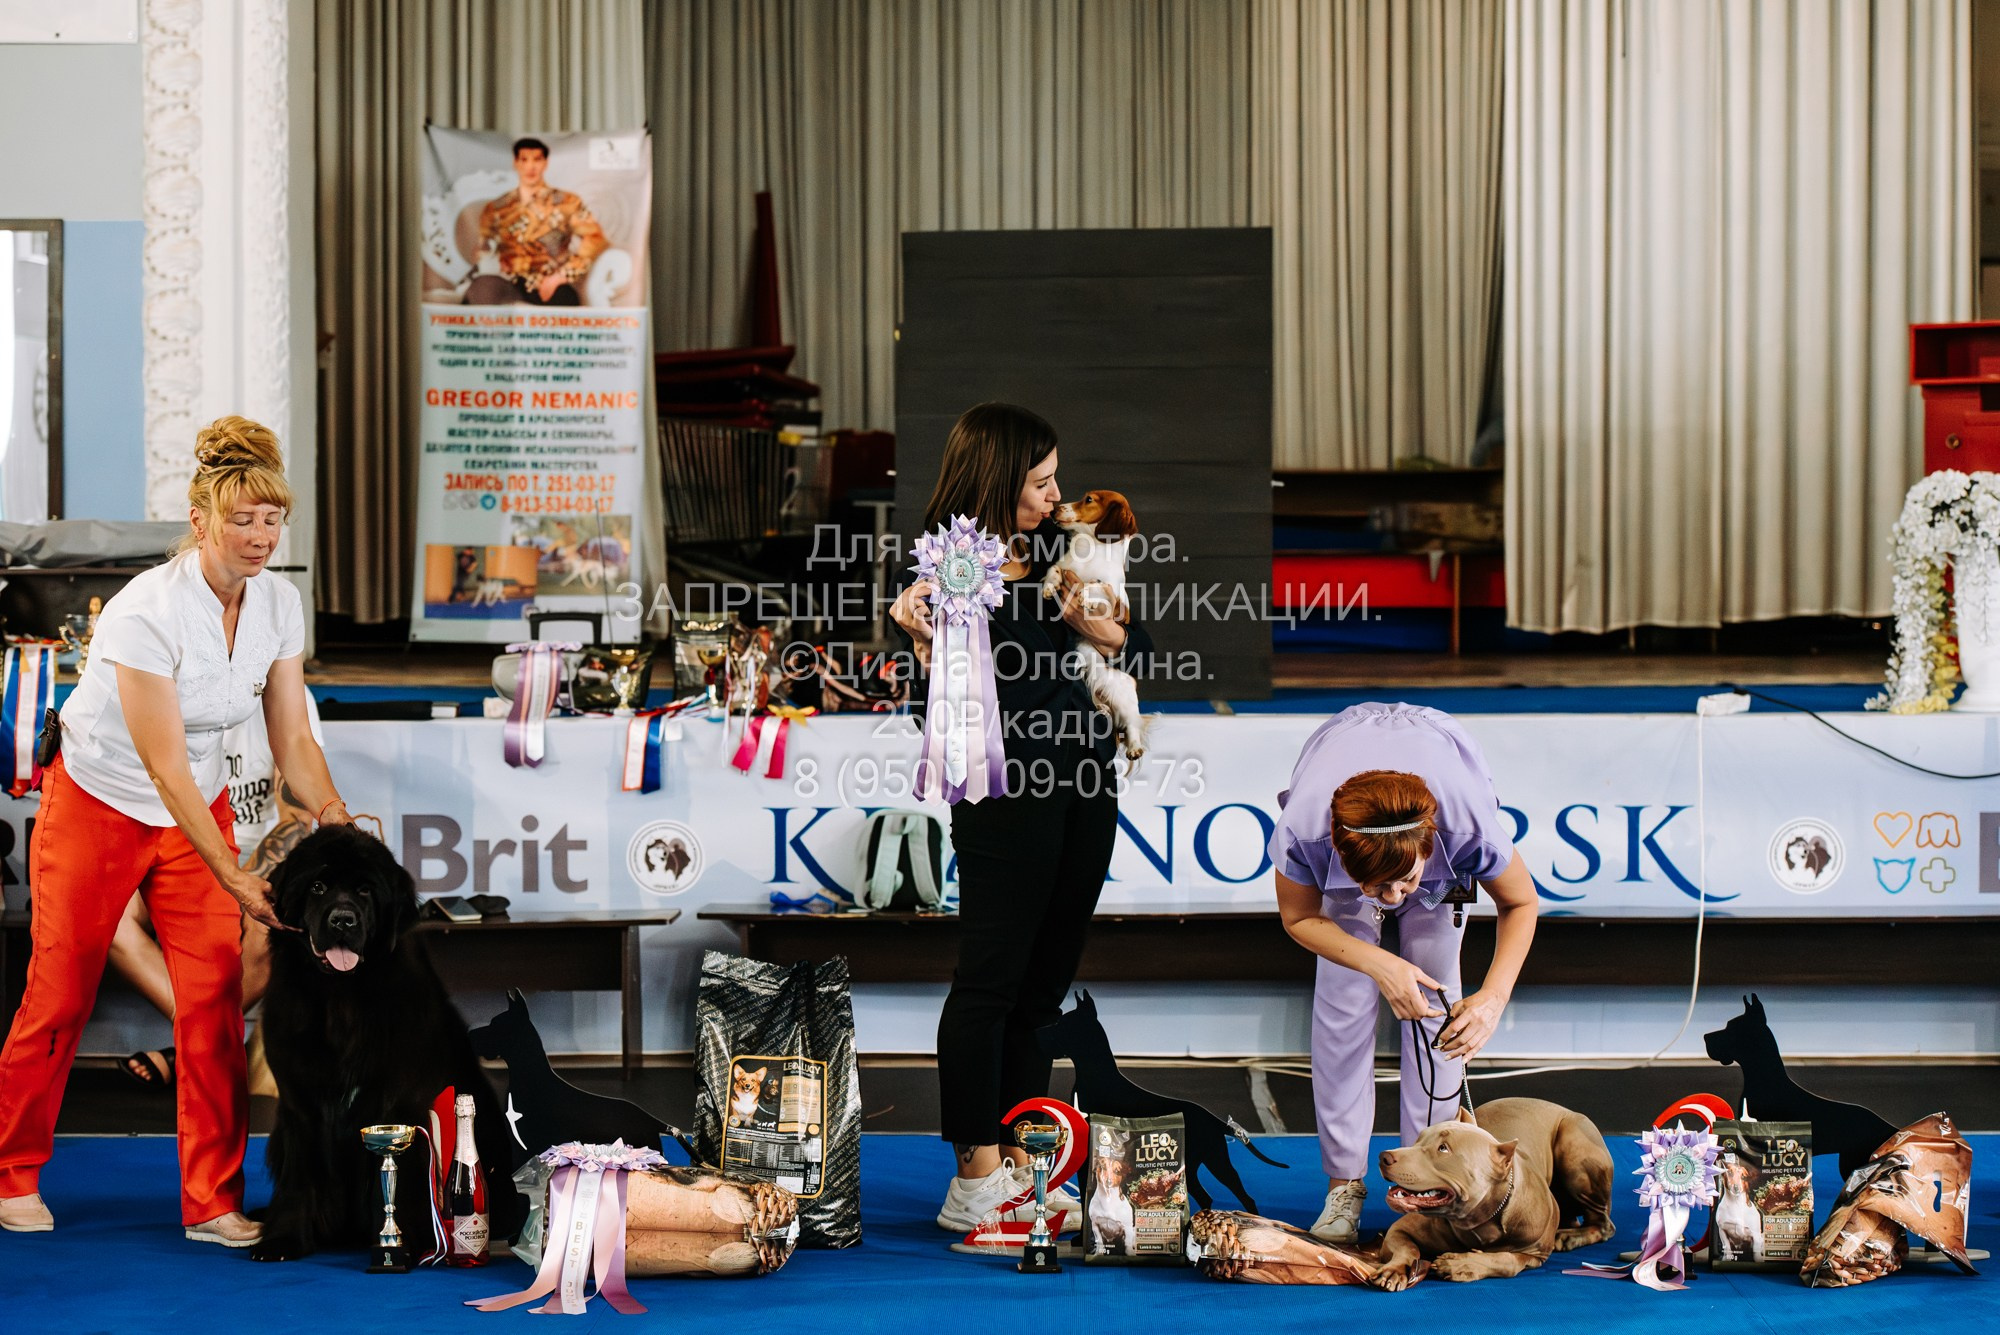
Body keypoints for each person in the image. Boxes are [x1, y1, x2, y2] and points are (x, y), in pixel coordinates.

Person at [0, 416, 352, 1245]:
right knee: (60, 995)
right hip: (101, 801)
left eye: (272, 520)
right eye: (243, 519)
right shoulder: (143, 609)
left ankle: (212, 1199)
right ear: (200, 520)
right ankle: (12, 1170)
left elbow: (293, 737)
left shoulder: (278, 601)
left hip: (195, 802)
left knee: (212, 1004)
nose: (261, 537)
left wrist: (336, 823)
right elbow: (159, 763)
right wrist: (233, 874)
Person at [889, 402, 1155, 1234]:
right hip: (1007, 794)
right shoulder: (948, 568)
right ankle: (973, 1172)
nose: (1055, 494)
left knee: (1043, 985)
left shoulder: (1054, 555)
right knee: (991, 979)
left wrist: (1105, 630)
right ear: (1002, 482)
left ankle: (1021, 1161)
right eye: (1040, 482)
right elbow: (916, 628)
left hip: (1086, 779)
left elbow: (1134, 646)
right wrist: (914, 621)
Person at [1269, 702, 1539, 1244]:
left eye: (1405, 881)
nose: (1392, 899)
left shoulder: (1468, 829)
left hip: (1439, 758)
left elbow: (1522, 904)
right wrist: (1377, 962)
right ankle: (1344, 1185)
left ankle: (1429, 1186)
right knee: (1343, 1002)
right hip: (1340, 757)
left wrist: (1492, 998)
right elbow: (1298, 917)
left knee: (1442, 1013)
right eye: (1377, 887)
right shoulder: (1307, 833)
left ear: (1428, 849)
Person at [466, 137, 607, 306]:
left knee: (564, 301)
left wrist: (560, 276)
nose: (530, 167)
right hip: (505, 282)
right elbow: (483, 246)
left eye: (537, 159)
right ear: (516, 163)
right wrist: (492, 260)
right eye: (524, 160)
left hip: (547, 284)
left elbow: (595, 239)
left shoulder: (566, 202)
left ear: (545, 163)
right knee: (482, 291)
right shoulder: (496, 208)